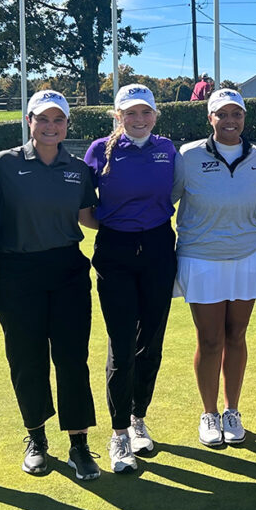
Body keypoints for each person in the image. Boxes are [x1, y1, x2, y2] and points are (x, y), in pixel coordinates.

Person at [0, 90, 101, 481]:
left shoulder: (78, 168)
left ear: (67, 125)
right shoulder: (4, 164)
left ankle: (79, 444)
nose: (51, 126)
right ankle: (36, 439)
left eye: (58, 120)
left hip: (67, 269)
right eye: (43, 119)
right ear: (29, 122)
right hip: (17, 272)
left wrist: (139, 221)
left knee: (73, 358)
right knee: (27, 358)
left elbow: (89, 216)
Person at [84, 84, 180, 474]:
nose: (138, 120)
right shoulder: (98, 150)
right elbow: (85, 208)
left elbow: (173, 195)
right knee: (121, 344)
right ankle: (120, 431)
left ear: (155, 116)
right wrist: (116, 227)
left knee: (150, 341)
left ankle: (140, 417)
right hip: (116, 251)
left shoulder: (167, 149)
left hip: (158, 248)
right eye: (130, 113)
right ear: (117, 116)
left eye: (145, 113)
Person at [174, 88, 256, 447]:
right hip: (201, 258)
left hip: (247, 256)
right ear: (209, 118)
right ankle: (209, 412)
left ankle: (233, 411)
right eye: (222, 114)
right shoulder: (186, 156)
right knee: (211, 339)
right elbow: (164, 200)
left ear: (244, 118)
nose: (230, 121)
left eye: (237, 114)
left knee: (236, 335)